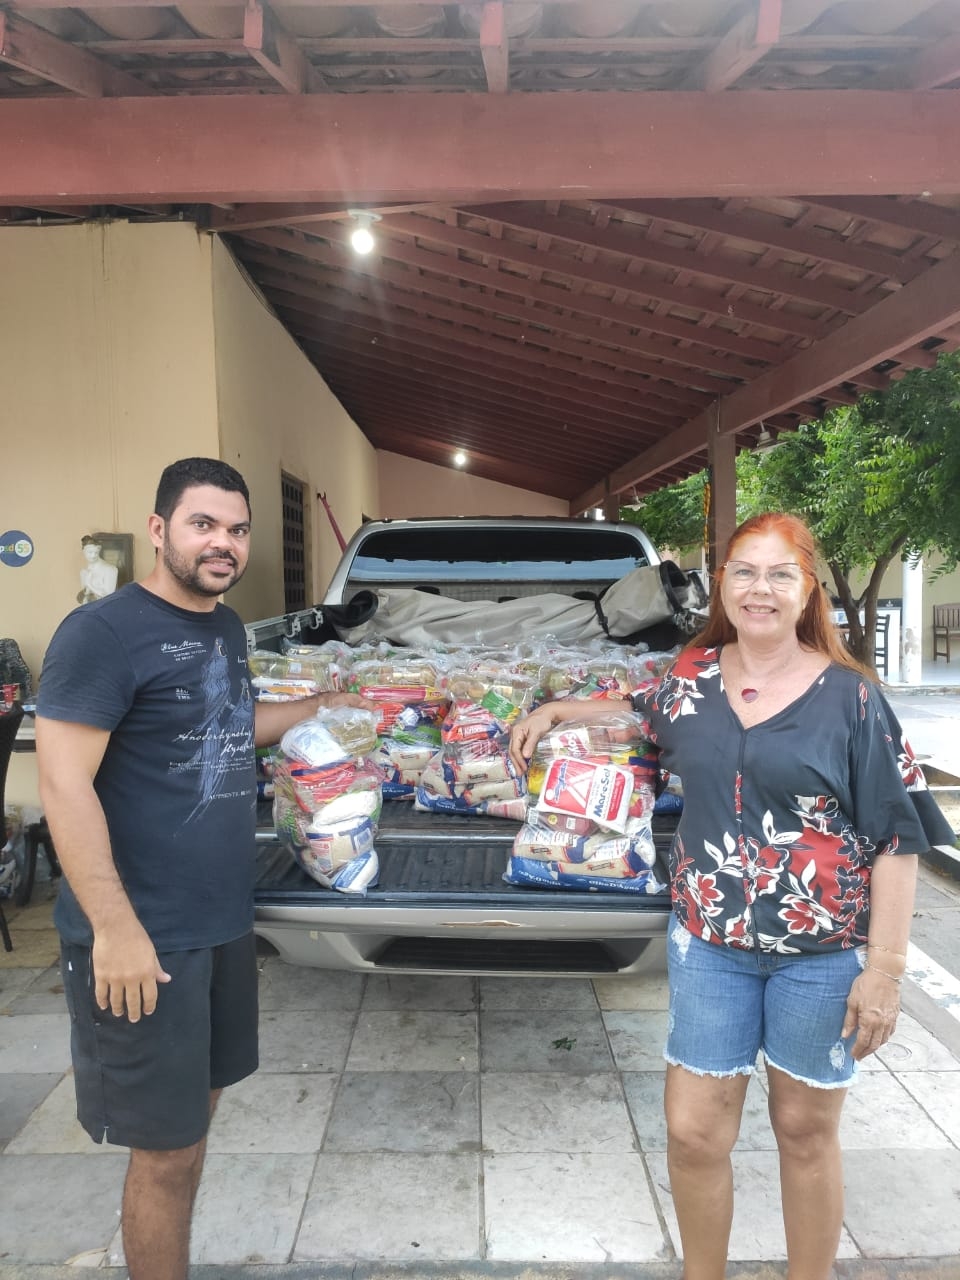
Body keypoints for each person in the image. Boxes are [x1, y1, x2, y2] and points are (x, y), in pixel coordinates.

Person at [509, 512, 952, 1280]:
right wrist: (557, 711)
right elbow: (641, 714)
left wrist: (884, 971)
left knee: (804, 1132)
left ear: (807, 589)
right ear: (722, 584)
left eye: (780, 574)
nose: (760, 589)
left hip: (822, 955)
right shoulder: (691, 677)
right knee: (693, 1134)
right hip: (710, 946)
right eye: (744, 571)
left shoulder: (852, 699)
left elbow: (897, 837)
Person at [36, 458, 372, 1280]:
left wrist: (323, 708)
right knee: (165, 1152)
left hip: (219, 921)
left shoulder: (222, 627)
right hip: (145, 936)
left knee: (193, 1131)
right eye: (204, 524)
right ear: (159, 530)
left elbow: (228, 722)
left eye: (237, 529)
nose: (224, 543)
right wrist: (115, 929)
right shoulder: (102, 633)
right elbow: (62, 784)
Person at [77, 535, 119, 603]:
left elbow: (109, 597)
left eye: (96, 552)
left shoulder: (110, 570)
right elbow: (84, 597)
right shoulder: (83, 572)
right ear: (83, 551)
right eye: (90, 552)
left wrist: (90, 584)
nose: (93, 555)